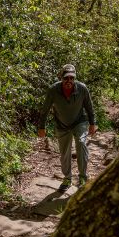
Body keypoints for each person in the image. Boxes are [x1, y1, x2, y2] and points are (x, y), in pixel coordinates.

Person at [38, 63, 97, 192]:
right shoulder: (53, 90)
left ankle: (82, 177)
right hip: (62, 124)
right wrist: (41, 127)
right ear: (61, 78)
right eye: (66, 78)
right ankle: (67, 178)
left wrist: (93, 123)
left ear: (74, 78)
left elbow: (89, 107)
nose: (69, 81)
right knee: (65, 152)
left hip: (79, 122)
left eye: (71, 78)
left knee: (81, 143)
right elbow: (45, 110)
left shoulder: (82, 89)